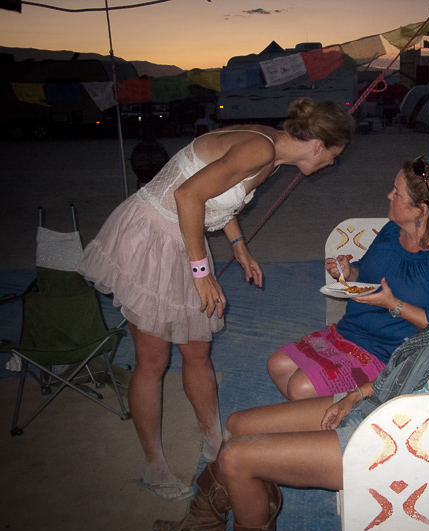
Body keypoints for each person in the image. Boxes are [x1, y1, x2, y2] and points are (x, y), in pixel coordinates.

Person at [151, 226, 429, 531]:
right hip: (379, 402)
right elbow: (411, 362)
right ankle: (226, 510)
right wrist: (357, 393)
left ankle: (246, 520)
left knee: (236, 457)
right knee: (238, 424)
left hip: (394, 441)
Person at [77, 98, 355, 501]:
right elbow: (188, 196)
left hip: (184, 240)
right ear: (317, 145)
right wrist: (202, 273)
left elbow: (218, 199)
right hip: (154, 236)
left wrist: (239, 246)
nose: (331, 163)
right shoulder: (261, 147)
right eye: (334, 155)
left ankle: (213, 441)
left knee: (197, 351)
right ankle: (154, 467)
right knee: (153, 360)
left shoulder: (272, 156)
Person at [267, 154, 429, 400]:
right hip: (351, 332)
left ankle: (342, 427)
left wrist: (393, 305)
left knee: (300, 388)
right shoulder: (392, 230)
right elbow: (367, 272)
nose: (389, 196)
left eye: (397, 194)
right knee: (277, 365)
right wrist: (349, 271)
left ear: (420, 210)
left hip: (388, 352)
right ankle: (327, 422)